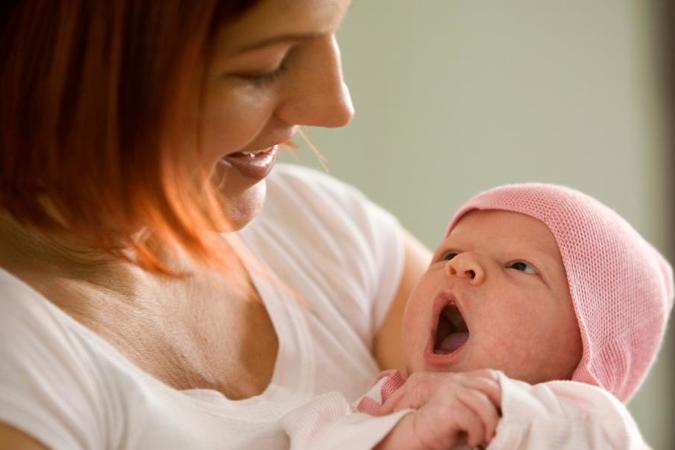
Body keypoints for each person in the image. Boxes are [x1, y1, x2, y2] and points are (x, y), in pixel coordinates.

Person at [0, 1, 431, 448]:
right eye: (266, 66)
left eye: (331, 33)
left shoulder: (327, 230)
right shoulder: (21, 373)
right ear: (63, 73)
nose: (335, 108)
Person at [280, 183, 675, 449]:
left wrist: (501, 407)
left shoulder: (591, 422)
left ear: (588, 349)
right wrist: (398, 435)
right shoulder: (378, 407)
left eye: (519, 266)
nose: (462, 264)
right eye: (448, 255)